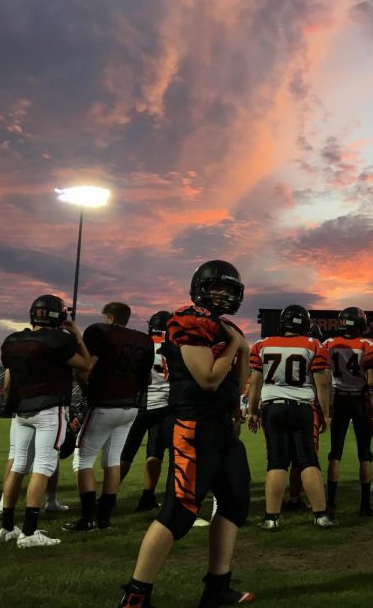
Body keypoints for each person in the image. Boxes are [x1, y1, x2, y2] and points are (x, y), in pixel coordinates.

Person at [118, 260, 253, 607]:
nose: (223, 295)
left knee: (235, 503)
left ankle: (217, 587)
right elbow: (207, 379)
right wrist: (237, 346)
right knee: (180, 509)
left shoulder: (222, 327)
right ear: (200, 288)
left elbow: (236, 383)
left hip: (222, 426)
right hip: (195, 425)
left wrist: (243, 351)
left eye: (229, 290)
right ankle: (136, 594)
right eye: (216, 288)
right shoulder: (188, 321)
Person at [0, 294, 92, 548]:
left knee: (18, 465)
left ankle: (7, 527)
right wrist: (78, 336)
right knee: (42, 466)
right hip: (49, 409)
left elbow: (8, 379)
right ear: (57, 315)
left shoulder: (12, 340)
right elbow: (86, 365)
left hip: (20, 411)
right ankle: (29, 532)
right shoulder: (59, 340)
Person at [64, 302, 154, 532]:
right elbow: (147, 379)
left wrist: (84, 385)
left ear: (109, 317)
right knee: (112, 460)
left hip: (104, 405)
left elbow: (87, 369)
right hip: (131, 407)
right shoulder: (143, 339)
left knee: (82, 460)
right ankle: (104, 516)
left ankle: (88, 518)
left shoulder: (100, 332)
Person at [246, 304, 336, 530]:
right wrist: (325, 413)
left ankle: (271, 519)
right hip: (301, 406)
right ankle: (321, 516)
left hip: (272, 407)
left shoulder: (261, 345)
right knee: (308, 461)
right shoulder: (313, 344)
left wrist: (253, 411)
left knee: (276, 462)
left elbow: (255, 383)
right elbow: (322, 384)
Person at [324, 307, 373, 517]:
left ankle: (331, 504)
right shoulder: (369, 345)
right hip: (359, 399)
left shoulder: (329, 344)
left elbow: (326, 376)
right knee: (365, 454)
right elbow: (371, 380)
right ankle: (365, 505)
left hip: (339, 397)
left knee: (335, 454)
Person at [119, 311, 173, 512]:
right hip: (163, 405)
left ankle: (109, 495)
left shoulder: (140, 344)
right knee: (155, 453)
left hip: (138, 404)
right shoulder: (173, 347)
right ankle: (147, 497)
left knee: (125, 453)